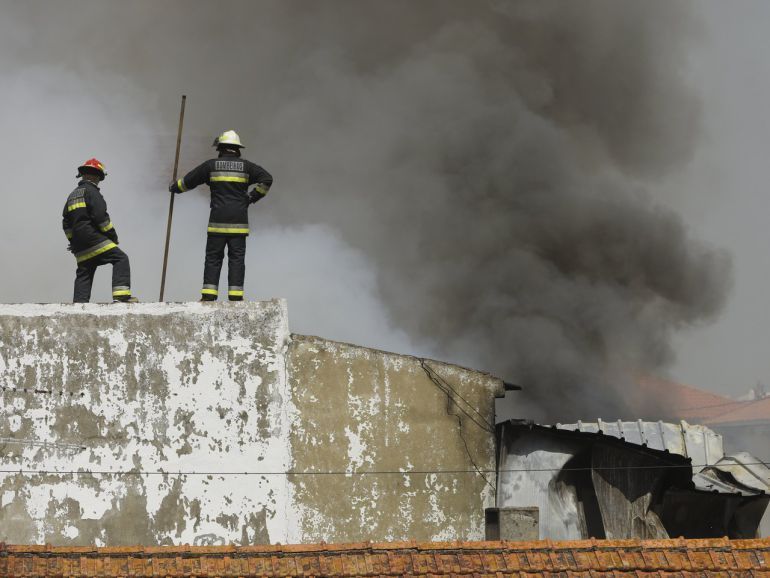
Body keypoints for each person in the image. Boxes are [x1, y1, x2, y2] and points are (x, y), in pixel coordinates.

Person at [169, 130, 273, 301]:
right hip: (239, 224)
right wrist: (252, 197)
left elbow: (189, 181)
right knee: (237, 259)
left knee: (213, 258)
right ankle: (236, 297)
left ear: (220, 148)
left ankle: (209, 296)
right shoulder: (247, 167)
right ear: (237, 149)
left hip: (217, 223)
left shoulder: (211, 166)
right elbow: (267, 179)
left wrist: (175, 187)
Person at [62, 158, 135, 303]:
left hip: (79, 245)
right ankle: (121, 296)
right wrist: (112, 237)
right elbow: (101, 218)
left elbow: (66, 223)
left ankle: (79, 304)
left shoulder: (72, 195)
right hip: (93, 238)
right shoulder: (92, 192)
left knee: (85, 270)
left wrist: (73, 242)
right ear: (97, 176)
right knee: (121, 258)